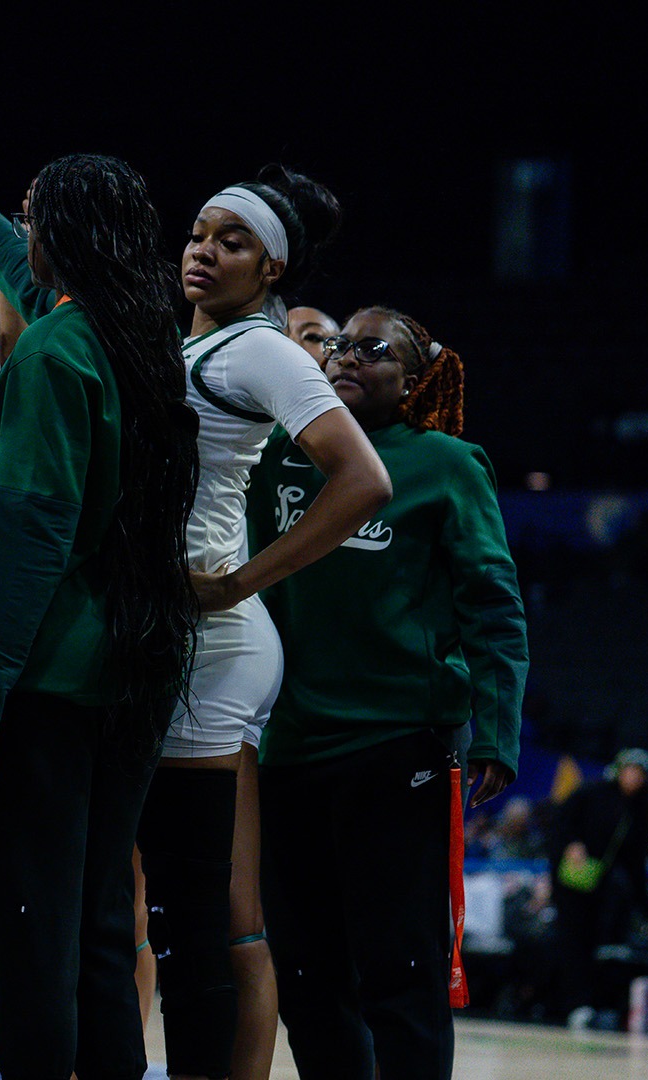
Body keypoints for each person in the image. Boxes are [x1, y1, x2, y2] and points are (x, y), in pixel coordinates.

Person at [0, 146, 203, 1080]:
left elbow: (27, 544)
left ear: (69, 235)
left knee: (28, 937)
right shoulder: (141, 339)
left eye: (35, 218)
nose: (26, 233)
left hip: (46, 681)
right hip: (134, 669)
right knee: (96, 928)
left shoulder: (52, 353)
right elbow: (30, 280)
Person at [139, 169, 389, 1080]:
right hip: (180, 640)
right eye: (199, 233)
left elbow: (364, 480)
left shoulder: (260, 349)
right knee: (197, 912)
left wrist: (240, 581)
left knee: (206, 914)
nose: (204, 251)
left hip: (212, 643)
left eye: (232, 241)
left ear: (271, 266)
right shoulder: (200, 342)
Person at [248, 307, 528, 1079]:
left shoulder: (446, 463)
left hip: (398, 743)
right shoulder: (280, 451)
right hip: (288, 747)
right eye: (339, 344)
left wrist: (496, 731)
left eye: (373, 349)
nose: (346, 356)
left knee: (400, 972)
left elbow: (493, 604)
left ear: (413, 380)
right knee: (306, 974)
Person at [551, 748, 648, 1029]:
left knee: (595, 943)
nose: (633, 777)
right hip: (571, 881)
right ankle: (574, 1005)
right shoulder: (591, 793)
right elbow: (560, 822)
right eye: (629, 770)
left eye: (639, 773)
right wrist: (571, 844)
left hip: (602, 886)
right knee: (572, 942)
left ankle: (593, 1003)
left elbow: (637, 864)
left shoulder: (643, 810)